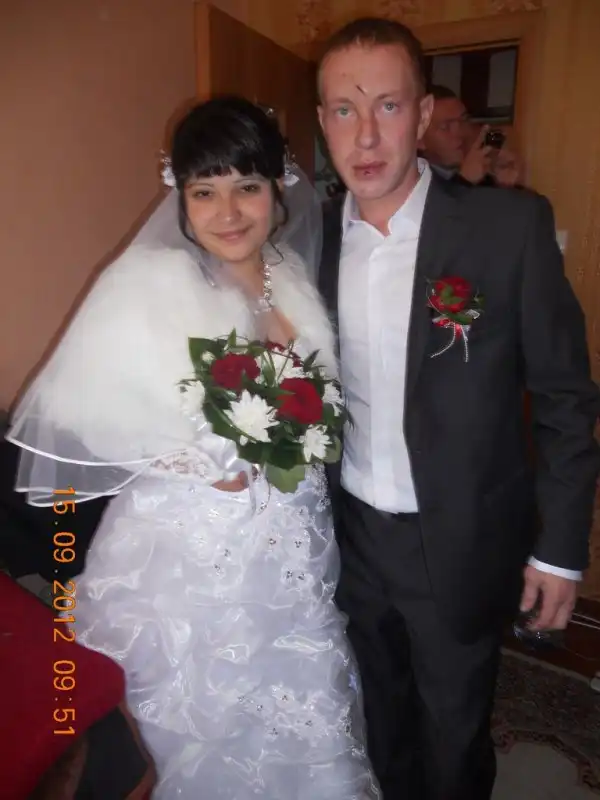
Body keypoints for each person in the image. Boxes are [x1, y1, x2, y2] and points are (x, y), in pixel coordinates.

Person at [7, 97, 379, 800]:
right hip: (190, 560)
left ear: (277, 189)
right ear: (180, 196)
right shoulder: (150, 285)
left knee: (298, 700)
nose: (228, 212)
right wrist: (193, 460)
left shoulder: (290, 277)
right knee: (203, 719)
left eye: (247, 186)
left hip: (290, 544)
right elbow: (77, 415)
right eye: (204, 191)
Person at [316, 16, 599, 800]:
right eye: (343, 109)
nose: (366, 135)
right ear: (322, 122)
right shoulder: (308, 240)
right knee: (378, 724)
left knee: (453, 739)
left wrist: (560, 550)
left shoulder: (507, 229)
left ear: (423, 115)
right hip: (350, 538)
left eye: (388, 105)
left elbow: (566, 399)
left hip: (460, 540)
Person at [418, 84, 523, 188]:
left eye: (464, 120)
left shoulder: (481, 175)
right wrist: (464, 180)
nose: (461, 133)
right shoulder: (416, 183)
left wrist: (503, 186)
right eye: (445, 127)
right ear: (419, 140)